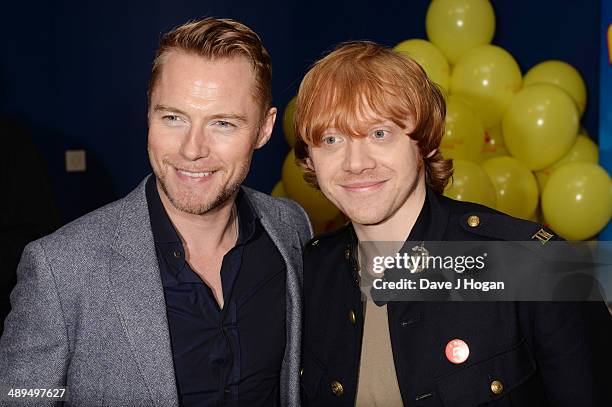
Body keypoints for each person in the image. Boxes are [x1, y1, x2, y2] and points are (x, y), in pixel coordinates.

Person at [0, 18, 311, 407]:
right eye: (173, 118)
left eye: (222, 123)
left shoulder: (291, 228)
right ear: (149, 113)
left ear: (264, 130)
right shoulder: (60, 268)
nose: (192, 149)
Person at [294, 41, 612, 406]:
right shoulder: (307, 274)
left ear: (426, 142)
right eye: (331, 139)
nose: (355, 163)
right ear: (310, 158)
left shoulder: (538, 266)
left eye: (380, 134)